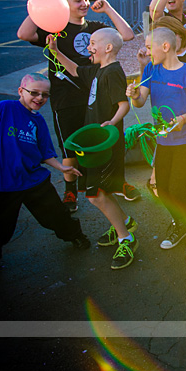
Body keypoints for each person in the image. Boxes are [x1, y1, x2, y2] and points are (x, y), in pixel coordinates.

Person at [16, 0, 136, 212]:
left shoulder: (95, 28)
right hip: (67, 99)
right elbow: (23, 34)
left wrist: (108, 8)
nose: (84, 4)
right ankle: (71, 191)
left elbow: (127, 35)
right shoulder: (54, 28)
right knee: (70, 148)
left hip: (99, 97)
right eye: (77, 0)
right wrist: (43, 7)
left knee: (109, 140)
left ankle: (115, 183)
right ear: (63, 3)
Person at [0, 74, 90, 274]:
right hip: (1, 184)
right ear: (21, 91)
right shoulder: (4, 108)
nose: (39, 98)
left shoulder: (38, 123)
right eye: (34, 93)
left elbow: (45, 154)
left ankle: (75, 235)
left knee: (57, 216)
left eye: (45, 95)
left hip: (33, 181)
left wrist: (61, 167)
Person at [49, 29, 137, 270]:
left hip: (105, 144)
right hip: (94, 143)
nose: (88, 47)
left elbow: (123, 104)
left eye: (92, 43)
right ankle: (124, 222)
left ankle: (126, 237)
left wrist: (112, 122)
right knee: (97, 193)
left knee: (95, 193)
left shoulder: (113, 72)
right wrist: (56, 52)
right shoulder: (97, 69)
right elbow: (75, 70)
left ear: (108, 48)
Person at [127, 28, 186, 252]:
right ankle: (181, 224)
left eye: (148, 45)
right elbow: (140, 101)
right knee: (162, 188)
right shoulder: (151, 69)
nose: (145, 50)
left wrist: (183, 118)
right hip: (165, 139)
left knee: (177, 187)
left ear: (165, 47)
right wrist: (135, 95)